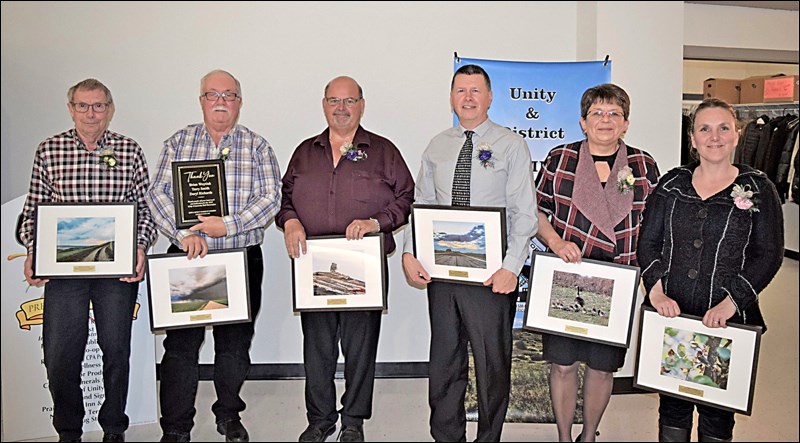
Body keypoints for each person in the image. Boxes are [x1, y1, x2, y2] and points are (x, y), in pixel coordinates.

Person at [401, 64, 538, 442]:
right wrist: (410, 253)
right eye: (461, 90)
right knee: (445, 361)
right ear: (451, 98)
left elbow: (525, 214)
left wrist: (512, 267)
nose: (468, 97)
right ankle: (446, 435)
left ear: (490, 97)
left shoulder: (511, 145)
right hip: (442, 273)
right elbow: (422, 205)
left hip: (492, 276)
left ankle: (488, 437)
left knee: (493, 364)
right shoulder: (437, 145)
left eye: (475, 90)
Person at [18, 78, 158, 443]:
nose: (91, 113)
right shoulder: (49, 150)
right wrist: (34, 249)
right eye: (83, 106)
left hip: (116, 274)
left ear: (110, 109)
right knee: (60, 355)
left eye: (98, 106)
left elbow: (146, 211)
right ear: (70, 109)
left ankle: (114, 426)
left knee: (116, 351)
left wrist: (139, 247)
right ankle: (68, 429)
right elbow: (33, 211)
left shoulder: (129, 150)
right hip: (64, 274)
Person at [637, 98, 784, 443]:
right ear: (692, 138)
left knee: (717, 412)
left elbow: (769, 254)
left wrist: (731, 303)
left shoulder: (759, 188)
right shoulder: (672, 185)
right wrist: (655, 291)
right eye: (704, 128)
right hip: (672, 316)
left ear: (737, 134)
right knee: (672, 407)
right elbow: (649, 242)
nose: (714, 137)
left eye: (723, 128)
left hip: (728, 321)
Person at [146, 69, 282, 443]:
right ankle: (175, 427)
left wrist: (230, 225)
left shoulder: (257, 146)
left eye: (229, 95)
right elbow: (156, 194)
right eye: (212, 94)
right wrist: (182, 233)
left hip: (240, 256)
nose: (221, 101)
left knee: (235, 344)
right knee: (181, 347)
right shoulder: (179, 142)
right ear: (201, 99)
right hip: (188, 258)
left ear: (239, 101)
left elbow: (271, 198)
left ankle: (228, 415)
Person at [277, 75, 414, 443]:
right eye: (334, 101)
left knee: (360, 347)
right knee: (317, 348)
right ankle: (320, 419)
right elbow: (284, 198)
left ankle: (353, 419)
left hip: (364, 266)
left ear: (361, 105)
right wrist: (290, 222)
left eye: (349, 101)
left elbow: (406, 198)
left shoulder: (383, 151)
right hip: (314, 265)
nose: (341, 108)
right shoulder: (305, 152)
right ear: (324, 104)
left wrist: (376, 222)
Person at [534, 83, 660, 442]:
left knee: (603, 368)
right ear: (583, 122)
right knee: (562, 364)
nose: (605, 120)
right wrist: (556, 242)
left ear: (625, 123)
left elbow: (655, 224)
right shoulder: (561, 159)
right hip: (568, 274)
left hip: (616, 279)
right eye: (597, 114)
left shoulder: (642, 164)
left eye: (614, 114)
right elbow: (537, 211)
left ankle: (588, 435)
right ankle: (563, 436)